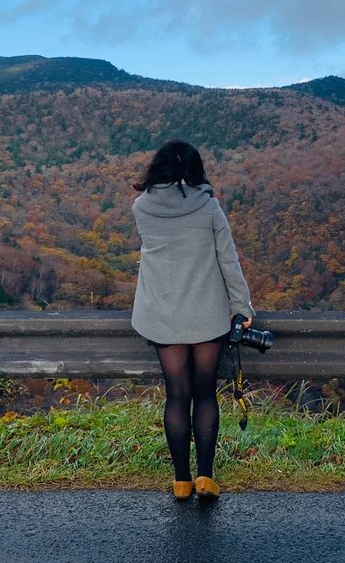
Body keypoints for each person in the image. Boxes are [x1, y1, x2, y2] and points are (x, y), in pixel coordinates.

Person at [129, 140, 255, 502]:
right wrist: (241, 307)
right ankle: (205, 477)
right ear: (195, 169)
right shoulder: (209, 207)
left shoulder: (142, 208)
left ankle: (180, 480)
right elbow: (227, 259)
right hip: (207, 314)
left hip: (162, 314)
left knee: (176, 395)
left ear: (157, 169)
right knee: (204, 394)